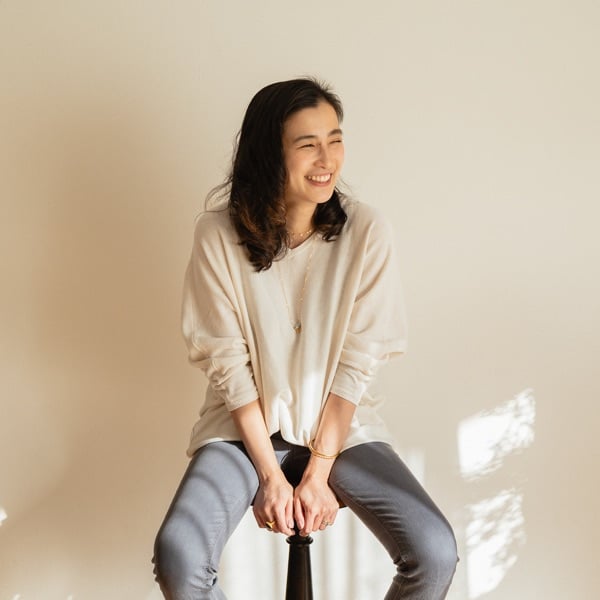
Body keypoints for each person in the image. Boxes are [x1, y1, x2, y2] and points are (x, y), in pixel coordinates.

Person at [153, 77, 458, 599]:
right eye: (308, 144)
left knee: (434, 551)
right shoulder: (216, 235)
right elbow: (228, 365)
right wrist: (271, 477)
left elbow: (356, 365)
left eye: (335, 139)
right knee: (180, 555)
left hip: (340, 431)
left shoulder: (366, 232)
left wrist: (317, 474)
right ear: (269, 153)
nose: (327, 159)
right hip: (243, 431)